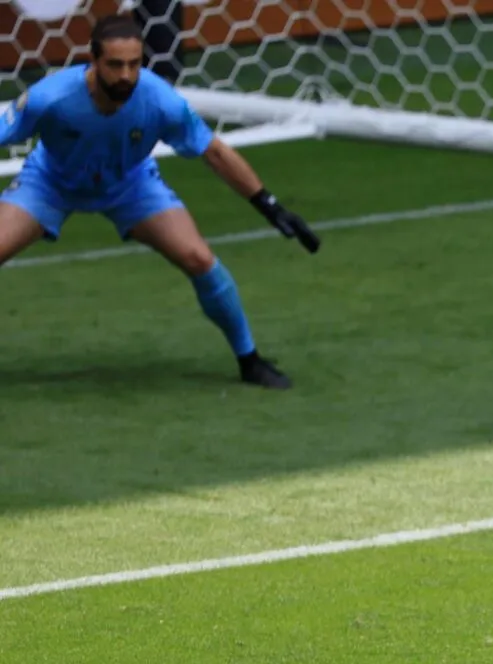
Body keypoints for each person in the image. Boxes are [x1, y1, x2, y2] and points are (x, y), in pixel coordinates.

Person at [0, 14, 318, 389]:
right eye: (115, 65)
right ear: (94, 60)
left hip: (130, 184)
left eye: (134, 64)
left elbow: (214, 152)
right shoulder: (49, 98)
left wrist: (270, 205)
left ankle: (250, 360)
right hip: (51, 182)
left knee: (200, 259)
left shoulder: (160, 101)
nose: (126, 76)